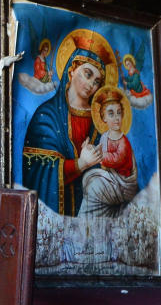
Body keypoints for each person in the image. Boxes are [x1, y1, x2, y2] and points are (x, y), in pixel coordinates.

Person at [21, 29, 116, 216]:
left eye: (97, 81)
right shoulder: (47, 115)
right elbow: (38, 171)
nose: (91, 85)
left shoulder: (101, 121)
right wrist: (81, 164)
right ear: (72, 70)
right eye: (87, 74)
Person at [80, 86, 138, 217]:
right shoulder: (105, 136)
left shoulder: (123, 142)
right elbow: (101, 153)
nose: (116, 118)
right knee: (87, 179)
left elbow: (116, 159)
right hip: (111, 178)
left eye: (119, 112)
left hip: (123, 184)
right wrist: (90, 149)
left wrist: (97, 155)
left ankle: (84, 220)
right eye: (111, 113)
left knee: (94, 186)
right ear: (103, 117)